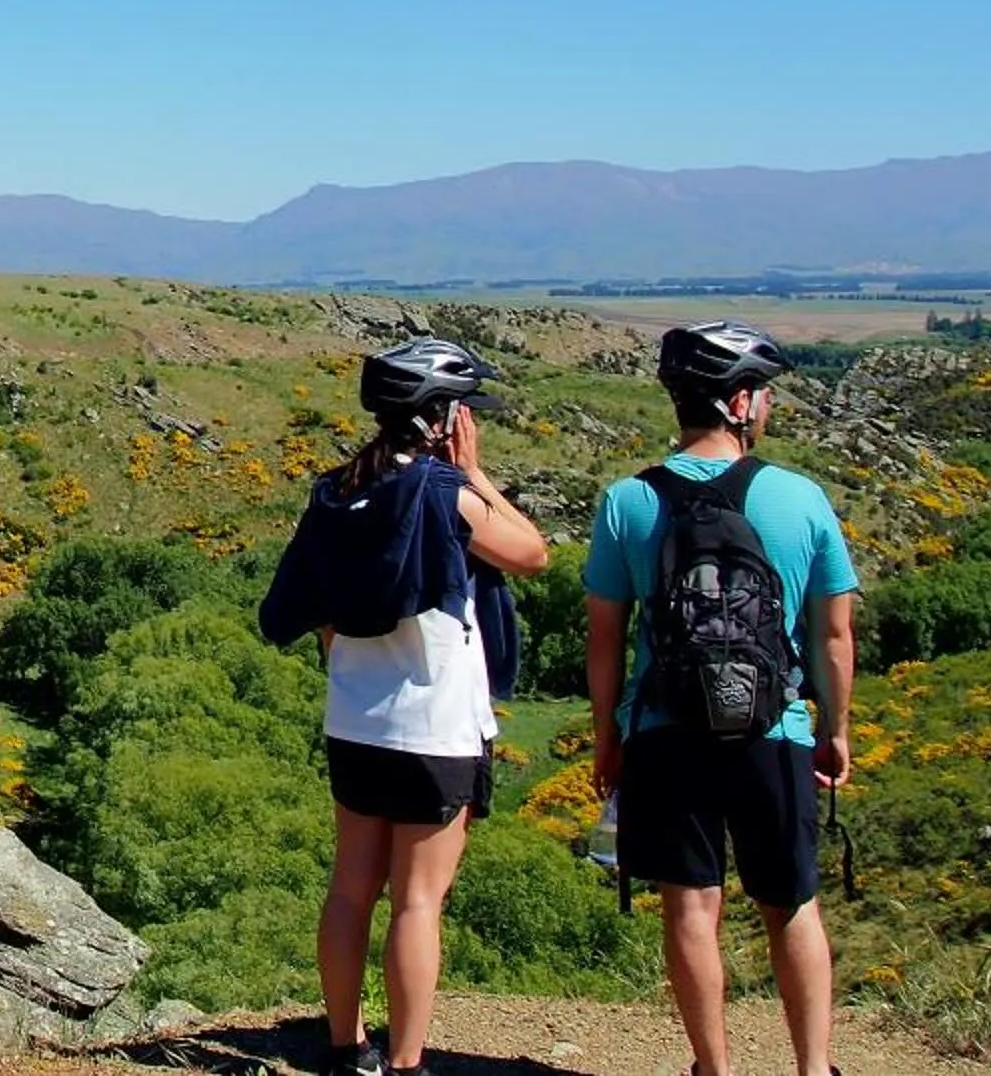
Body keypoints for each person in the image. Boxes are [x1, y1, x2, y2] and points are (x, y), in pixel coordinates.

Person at [261, 337, 551, 1076]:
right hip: (434, 727)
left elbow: (314, 610)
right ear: (440, 414)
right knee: (419, 901)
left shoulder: (334, 491)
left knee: (351, 885)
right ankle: (409, 1060)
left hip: (355, 719)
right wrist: (476, 472)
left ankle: (342, 1045)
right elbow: (530, 552)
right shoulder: (442, 492)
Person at [585, 320, 859, 1076]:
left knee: (690, 905)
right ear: (740, 402)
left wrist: (608, 734)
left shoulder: (627, 502)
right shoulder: (801, 498)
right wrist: (834, 729)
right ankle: (813, 1068)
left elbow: (605, 638)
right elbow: (834, 636)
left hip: (665, 730)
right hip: (774, 728)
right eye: (762, 393)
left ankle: (713, 1067)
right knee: (792, 904)